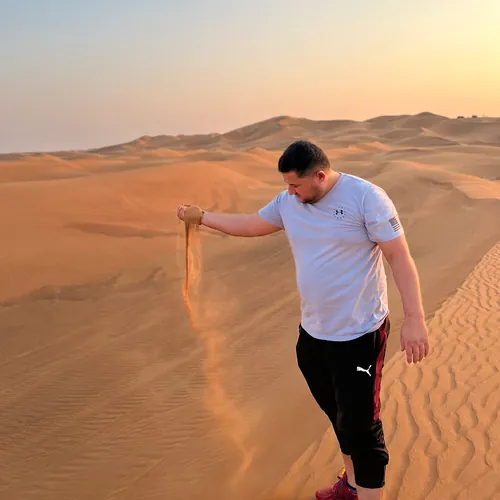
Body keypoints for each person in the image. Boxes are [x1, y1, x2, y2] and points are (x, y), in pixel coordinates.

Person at [176, 140, 429, 500]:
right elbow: (250, 224)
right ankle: (351, 487)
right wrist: (202, 217)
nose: (290, 193)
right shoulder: (288, 203)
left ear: (320, 176)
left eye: (295, 185)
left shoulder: (366, 198)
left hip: (359, 336)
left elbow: (399, 256)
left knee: (362, 429)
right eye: (286, 185)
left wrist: (415, 318)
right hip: (313, 336)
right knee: (338, 416)